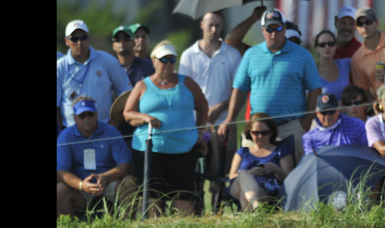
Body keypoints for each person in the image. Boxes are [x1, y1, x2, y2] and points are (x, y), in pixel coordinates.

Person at [218, 9, 321, 166]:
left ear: (284, 29)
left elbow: (315, 89)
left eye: (278, 28)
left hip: (290, 127)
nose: (274, 33)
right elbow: (240, 89)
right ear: (262, 30)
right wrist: (230, 119)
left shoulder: (302, 55)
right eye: (269, 29)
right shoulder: (251, 54)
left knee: (293, 180)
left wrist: (307, 121)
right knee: (252, 177)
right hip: (257, 130)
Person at [122, 41, 210, 216]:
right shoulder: (142, 86)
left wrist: (200, 132)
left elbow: (203, 106)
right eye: (164, 59)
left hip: (183, 150)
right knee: (154, 200)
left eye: (172, 59)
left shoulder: (187, 83)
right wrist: (145, 117)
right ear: (154, 61)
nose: (169, 64)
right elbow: (127, 113)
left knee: (183, 198)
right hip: (151, 150)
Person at [179, 11, 243, 179]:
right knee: (195, 176)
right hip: (194, 125)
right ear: (202, 25)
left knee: (223, 175)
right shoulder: (188, 55)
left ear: (222, 27)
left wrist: (220, 107)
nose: (214, 30)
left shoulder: (232, 54)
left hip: (223, 124)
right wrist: (202, 110)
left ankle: (219, 206)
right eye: (210, 25)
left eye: (218, 25)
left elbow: (239, 89)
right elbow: (183, 90)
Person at [56, 96, 139, 219]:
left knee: (129, 182)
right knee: (60, 190)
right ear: (75, 118)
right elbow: (62, 172)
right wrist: (81, 185)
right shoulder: (65, 136)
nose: (87, 119)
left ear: (97, 114)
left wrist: (105, 177)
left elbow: (125, 165)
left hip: (109, 183)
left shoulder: (111, 131)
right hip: (80, 187)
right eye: (82, 116)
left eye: (90, 114)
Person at [57, 20, 132, 132]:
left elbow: (126, 92)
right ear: (66, 41)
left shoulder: (107, 60)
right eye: (74, 38)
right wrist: (61, 135)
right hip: (70, 131)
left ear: (90, 39)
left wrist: (115, 121)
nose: (79, 42)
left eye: (83, 37)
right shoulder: (59, 67)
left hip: (104, 129)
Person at [227, 113, 295, 212]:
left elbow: (290, 179)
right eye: (256, 133)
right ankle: (256, 205)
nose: (260, 136)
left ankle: (251, 216)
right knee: (243, 174)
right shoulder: (243, 152)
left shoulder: (280, 151)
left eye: (264, 133)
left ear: (271, 132)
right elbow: (232, 176)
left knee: (244, 194)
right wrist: (251, 173)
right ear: (250, 132)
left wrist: (276, 169)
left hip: (266, 190)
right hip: (238, 185)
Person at [350, 7, 385, 101]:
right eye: (360, 24)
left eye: (368, 22)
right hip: (383, 109)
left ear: (377, 22)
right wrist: (375, 108)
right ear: (356, 28)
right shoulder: (357, 58)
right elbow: (364, 90)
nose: (364, 27)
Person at [302, 93, 368, 155]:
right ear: (317, 113)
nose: (328, 116)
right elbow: (311, 160)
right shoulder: (309, 138)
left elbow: (368, 150)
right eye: (324, 112)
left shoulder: (356, 125)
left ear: (338, 110)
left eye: (331, 112)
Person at [314, 30, 352, 102]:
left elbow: (364, 60)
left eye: (331, 44)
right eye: (322, 45)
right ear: (317, 48)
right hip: (325, 113)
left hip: (347, 113)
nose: (327, 47)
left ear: (335, 46)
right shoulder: (311, 74)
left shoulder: (346, 64)